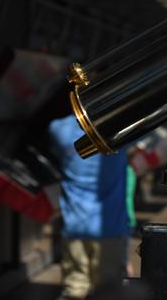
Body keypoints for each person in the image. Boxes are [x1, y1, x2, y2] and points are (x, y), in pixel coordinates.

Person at [49, 115, 130, 300]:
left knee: (74, 289)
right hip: (110, 227)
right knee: (110, 291)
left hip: (74, 225)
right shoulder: (119, 129)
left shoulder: (59, 128)